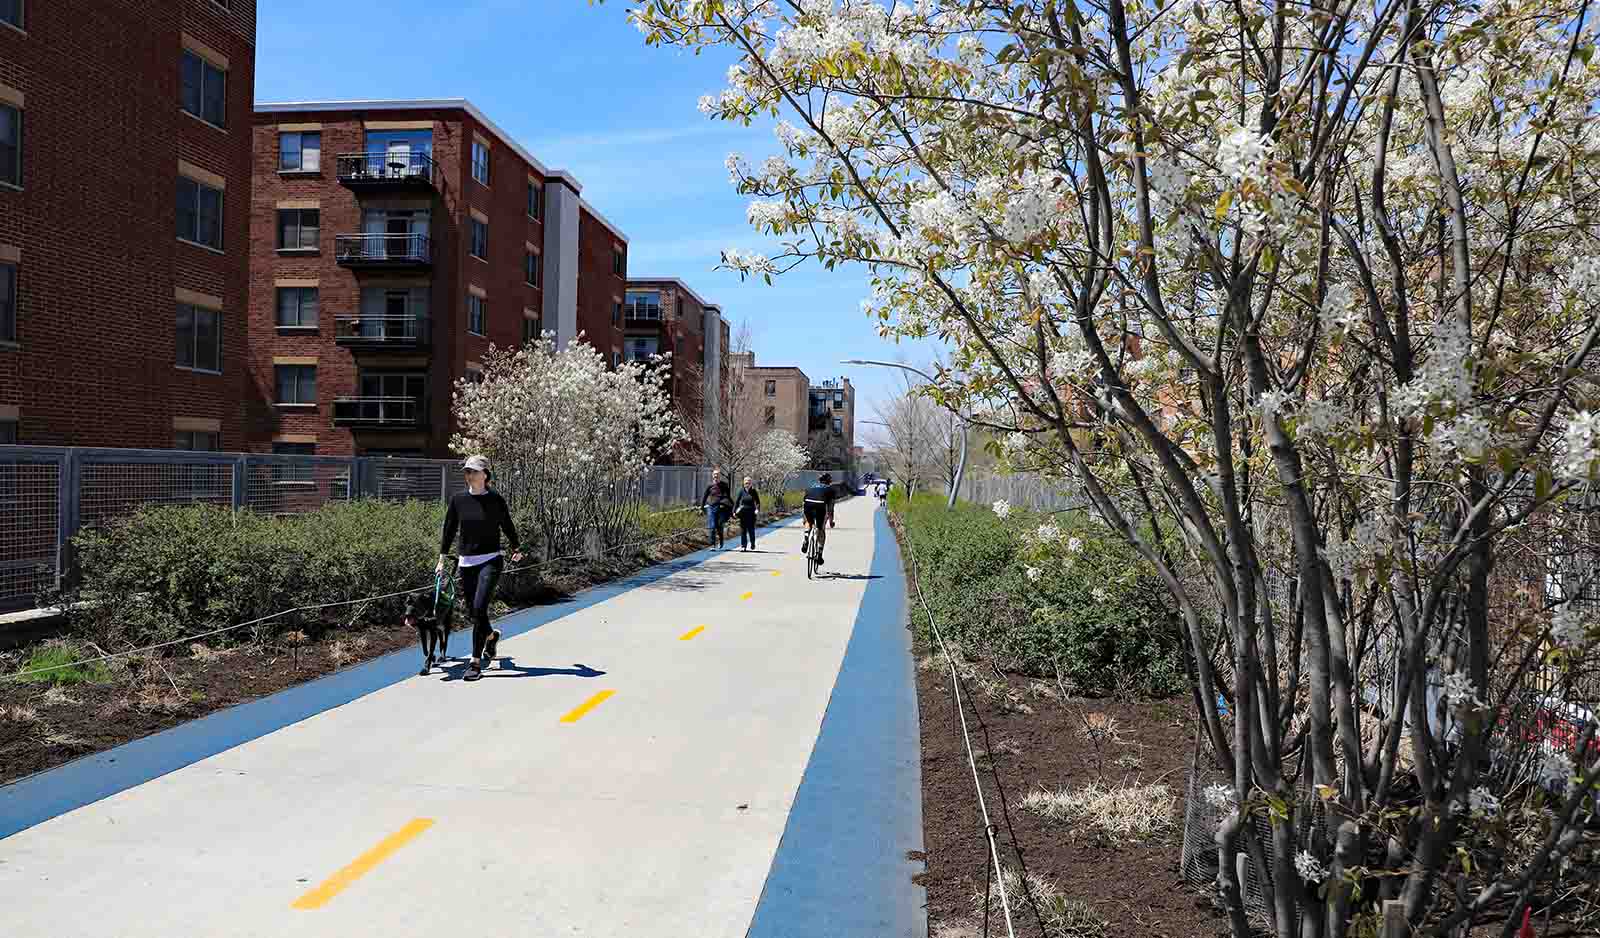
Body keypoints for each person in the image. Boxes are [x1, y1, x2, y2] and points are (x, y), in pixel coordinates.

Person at [436, 455, 524, 682]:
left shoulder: (495, 500)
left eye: (474, 471)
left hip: (491, 560)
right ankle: (491, 636)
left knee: (479, 608)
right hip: (466, 563)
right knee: (475, 613)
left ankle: (475, 663)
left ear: (485, 475)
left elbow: (507, 524)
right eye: (467, 471)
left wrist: (516, 546)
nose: (469, 475)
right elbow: (449, 529)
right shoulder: (458, 500)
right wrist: (442, 559)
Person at [802, 472, 837, 567]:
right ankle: (820, 555)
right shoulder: (830, 489)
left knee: (809, 522)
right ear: (829, 481)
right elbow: (830, 508)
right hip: (820, 506)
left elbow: (804, 502)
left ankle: (806, 537)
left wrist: (804, 518)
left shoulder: (811, 486)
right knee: (821, 529)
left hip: (808, 505)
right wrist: (831, 521)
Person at [699, 467, 733, 548]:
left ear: (720, 476)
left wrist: (732, 508)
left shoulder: (724, 485)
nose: (716, 476)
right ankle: (712, 544)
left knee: (719, 526)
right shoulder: (709, 486)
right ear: (712, 476)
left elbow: (728, 496)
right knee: (712, 526)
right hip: (711, 507)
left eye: (717, 475)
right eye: (714, 474)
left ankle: (721, 540)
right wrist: (701, 508)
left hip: (721, 508)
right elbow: (704, 497)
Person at [735, 476, 761, 551]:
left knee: (751, 530)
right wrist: (734, 511)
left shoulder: (753, 491)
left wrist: (757, 509)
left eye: (749, 483)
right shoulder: (741, 491)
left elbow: (758, 502)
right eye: (746, 483)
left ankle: (752, 543)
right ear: (743, 483)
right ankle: (744, 546)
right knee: (743, 530)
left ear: (751, 483)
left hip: (751, 513)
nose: (747, 484)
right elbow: (737, 501)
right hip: (743, 513)